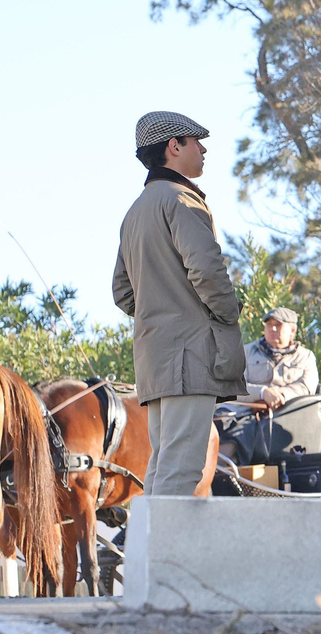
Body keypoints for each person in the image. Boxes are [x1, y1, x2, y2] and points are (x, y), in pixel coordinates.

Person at [113, 111, 248, 496]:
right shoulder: (181, 201)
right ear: (174, 147)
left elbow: (122, 292)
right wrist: (226, 314)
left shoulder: (135, 211)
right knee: (182, 470)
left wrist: (162, 313)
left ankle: (147, 557)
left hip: (156, 361)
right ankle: (162, 559)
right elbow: (207, 271)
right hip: (191, 357)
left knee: (163, 467)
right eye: (195, 141)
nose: (203, 149)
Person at [243, 307, 320, 409]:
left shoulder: (305, 357)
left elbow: (307, 386)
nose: (272, 328)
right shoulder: (245, 352)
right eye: (269, 324)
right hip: (243, 413)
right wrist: (262, 393)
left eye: (278, 325)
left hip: (289, 413)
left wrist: (280, 395)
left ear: (292, 331)